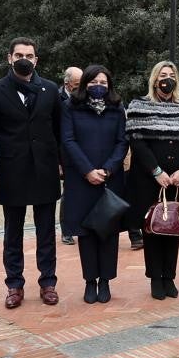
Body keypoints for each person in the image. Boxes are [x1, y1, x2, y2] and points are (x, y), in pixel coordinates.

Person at [0, 38, 63, 309]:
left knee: (46, 231)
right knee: (12, 233)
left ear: (36, 59)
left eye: (29, 55)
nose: (24, 59)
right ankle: (14, 285)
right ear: (9, 58)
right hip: (11, 170)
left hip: (44, 170)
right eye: (19, 55)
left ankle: (48, 282)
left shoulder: (50, 90)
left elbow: (60, 130)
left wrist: (61, 163)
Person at [125, 61, 179, 300]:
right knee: (153, 228)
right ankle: (156, 278)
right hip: (150, 178)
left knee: (173, 227)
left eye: (171, 75)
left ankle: (170, 277)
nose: (167, 79)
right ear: (155, 79)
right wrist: (156, 171)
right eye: (162, 75)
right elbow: (137, 140)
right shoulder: (140, 105)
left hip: (178, 178)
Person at [60, 65, 128, 304]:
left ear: (109, 85)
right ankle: (90, 281)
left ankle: (106, 281)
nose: (98, 86)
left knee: (108, 230)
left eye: (103, 82)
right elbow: (68, 140)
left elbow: (122, 141)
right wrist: (87, 170)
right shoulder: (71, 107)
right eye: (93, 82)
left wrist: (108, 168)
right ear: (85, 84)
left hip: (110, 178)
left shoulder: (117, 109)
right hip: (82, 179)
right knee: (86, 232)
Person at [59, 66, 83, 246]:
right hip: (64, 154)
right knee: (68, 192)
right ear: (67, 83)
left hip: (83, 151)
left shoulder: (85, 98)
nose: (80, 87)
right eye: (76, 84)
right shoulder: (57, 98)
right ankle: (67, 230)